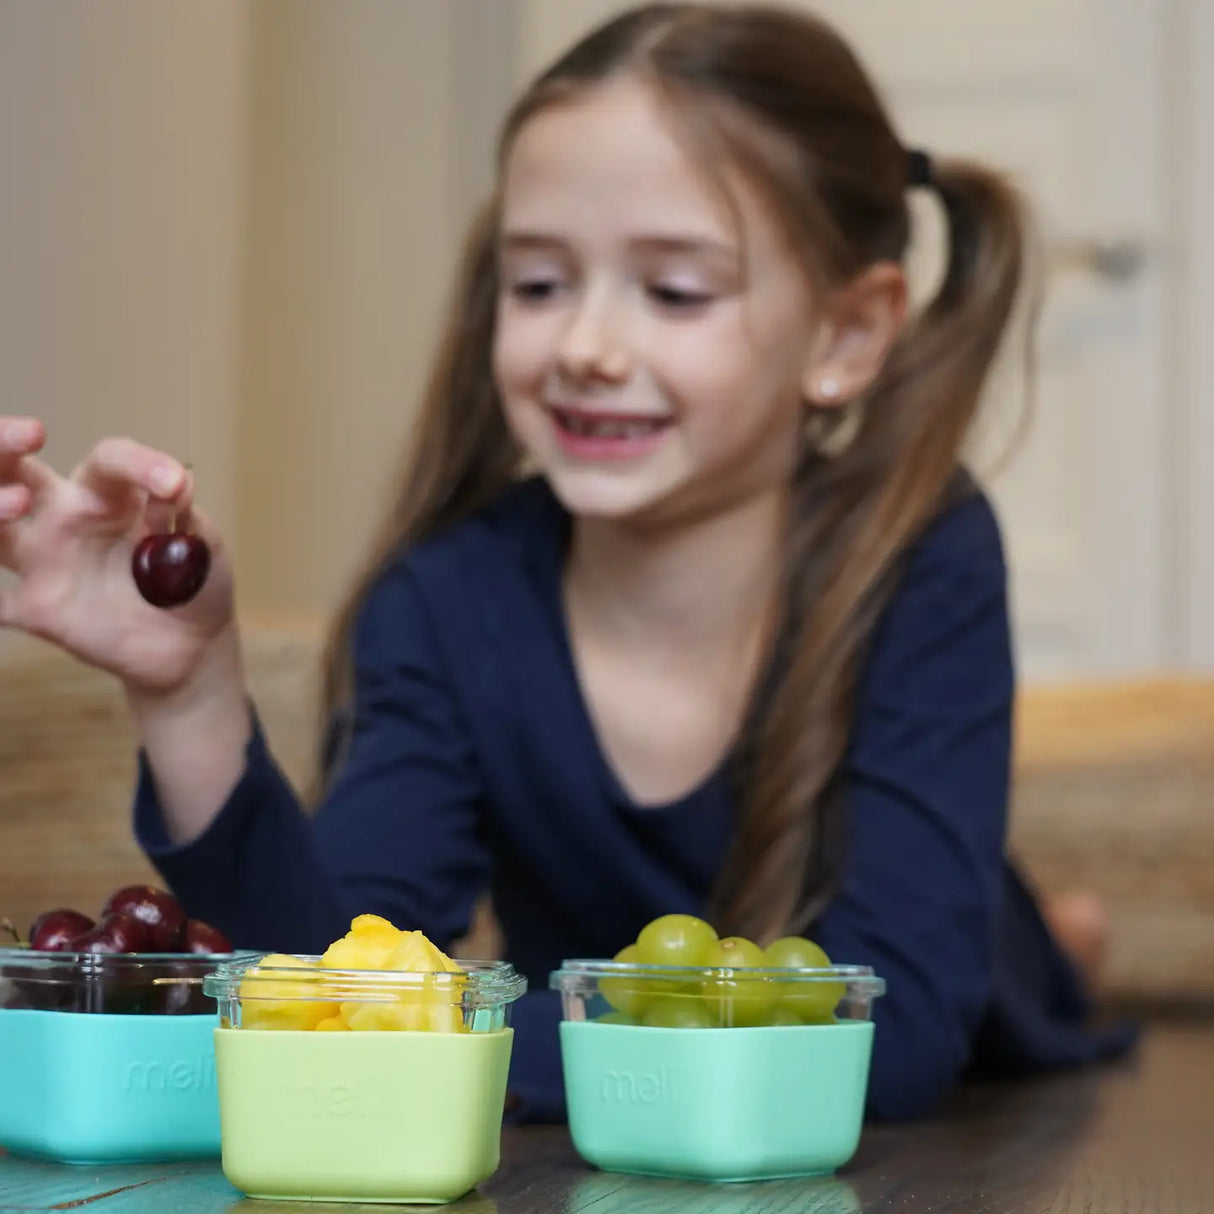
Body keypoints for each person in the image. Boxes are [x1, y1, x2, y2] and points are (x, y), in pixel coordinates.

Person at [0, 2, 1134, 1122]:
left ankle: (1061, 938)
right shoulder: (442, 601)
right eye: (539, 284)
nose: (586, 347)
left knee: (1021, 963)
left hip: (950, 978)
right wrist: (188, 690)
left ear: (845, 336)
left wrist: (461, 1030)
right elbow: (335, 984)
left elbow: (900, 1032)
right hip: (629, 1022)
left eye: (674, 291)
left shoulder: (922, 547)